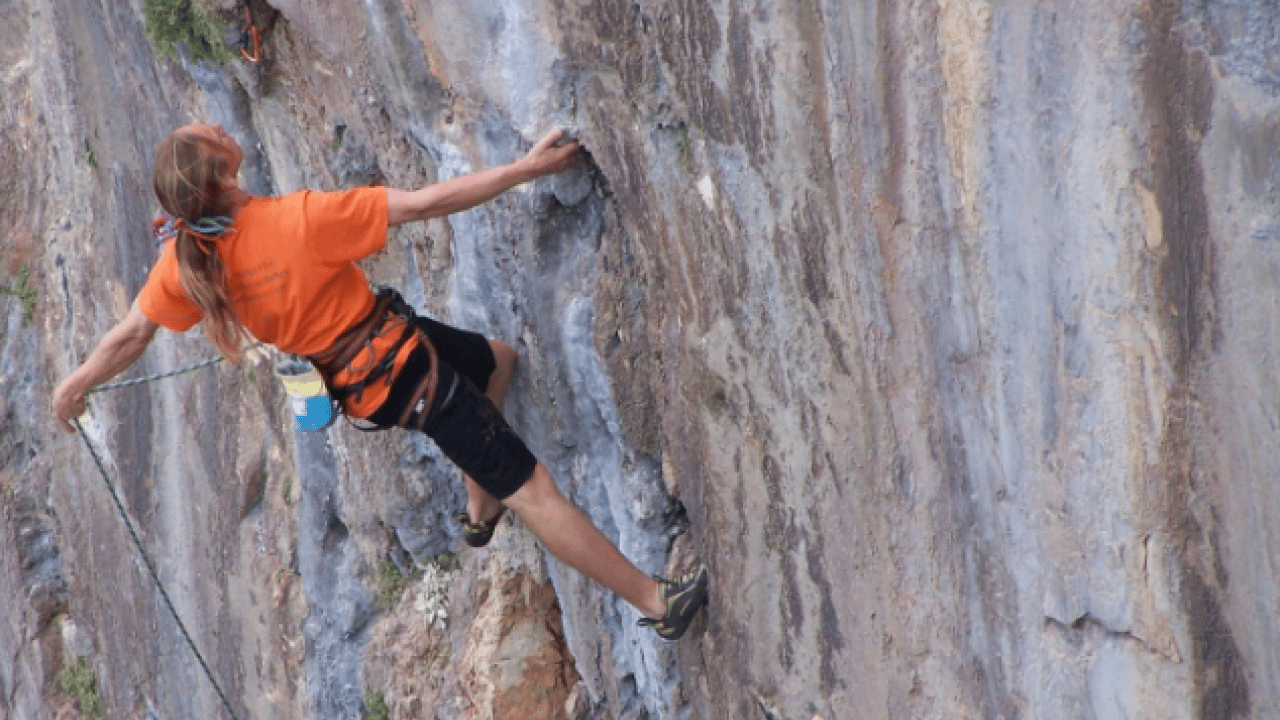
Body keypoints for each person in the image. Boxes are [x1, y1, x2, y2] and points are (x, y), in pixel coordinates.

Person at [52, 123, 708, 640]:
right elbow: (428, 204)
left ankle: (479, 510)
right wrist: (528, 169)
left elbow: (131, 334)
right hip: (409, 373)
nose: (222, 127)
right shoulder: (299, 221)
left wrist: (75, 384)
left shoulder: (188, 260)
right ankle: (656, 600)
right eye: (212, 135)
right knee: (535, 490)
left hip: (370, 380)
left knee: (496, 361)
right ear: (225, 172)